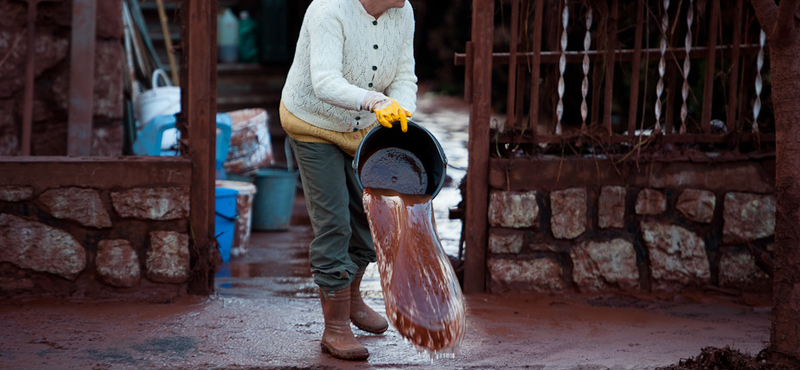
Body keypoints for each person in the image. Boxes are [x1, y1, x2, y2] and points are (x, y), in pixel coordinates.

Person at [279, 0, 417, 361]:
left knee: (370, 215)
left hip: (362, 128)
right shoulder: (328, 9)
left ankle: (353, 295)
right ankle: (335, 327)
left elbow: (405, 75)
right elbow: (324, 82)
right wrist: (375, 101)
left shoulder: (403, 12)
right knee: (334, 223)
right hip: (313, 124)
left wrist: (400, 106)